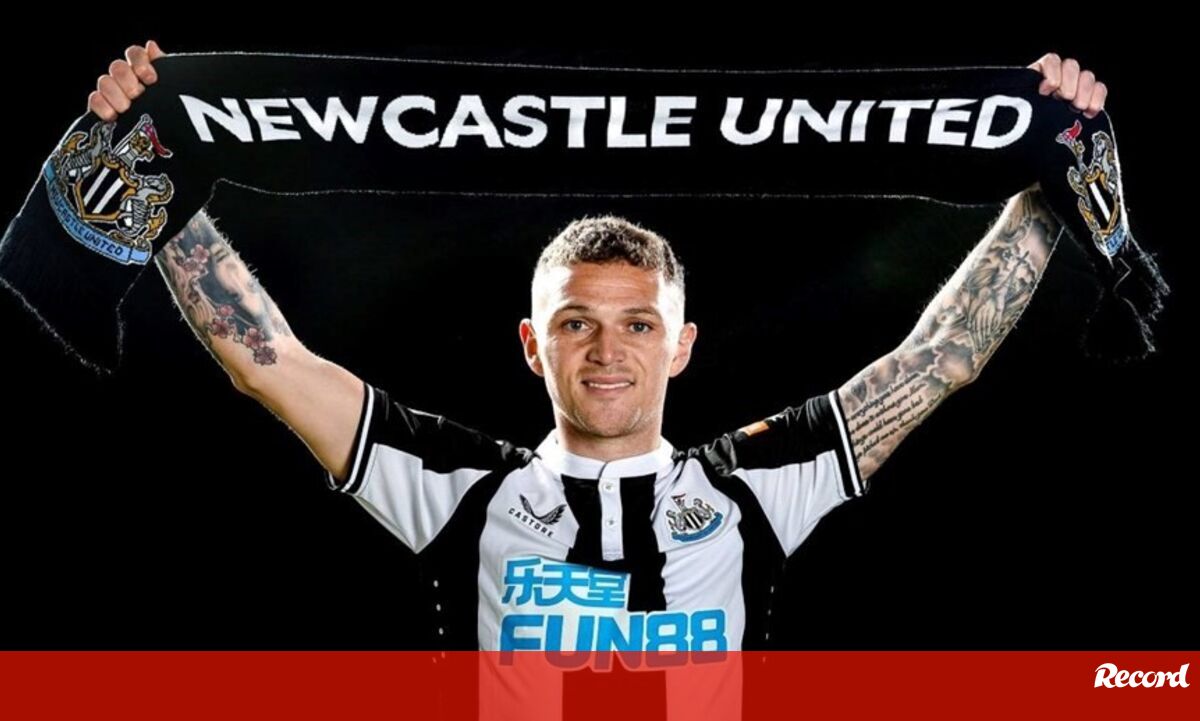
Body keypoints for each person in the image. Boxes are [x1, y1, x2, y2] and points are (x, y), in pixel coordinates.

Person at [89, 43, 1107, 656]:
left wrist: (1049, 175)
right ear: (534, 346)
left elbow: (943, 355)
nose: (608, 350)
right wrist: (158, 161)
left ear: (682, 345)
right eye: (577, 322)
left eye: (638, 324)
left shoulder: (760, 485)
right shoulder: (454, 487)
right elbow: (264, 357)